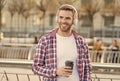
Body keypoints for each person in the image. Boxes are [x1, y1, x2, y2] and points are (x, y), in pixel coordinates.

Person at [32, 4, 92, 81]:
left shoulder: (81, 41)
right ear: (57, 19)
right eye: (61, 17)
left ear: (74, 21)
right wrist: (56, 72)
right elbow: (36, 67)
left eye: (67, 18)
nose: (63, 21)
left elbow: (87, 68)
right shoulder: (45, 40)